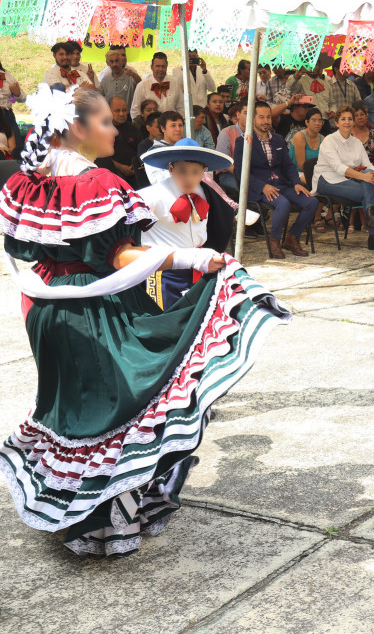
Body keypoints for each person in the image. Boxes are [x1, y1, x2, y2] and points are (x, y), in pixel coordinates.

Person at [0, 84, 289, 556]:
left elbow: (25, 249)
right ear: (78, 128)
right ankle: (96, 524)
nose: (116, 129)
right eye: (106, 122)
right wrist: (197, 258)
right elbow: (117, 257)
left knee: (76, 406)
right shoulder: (96, 183)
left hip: (45, 308)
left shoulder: (30, 182)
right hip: (90, 309)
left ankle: (72, 508)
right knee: (116, 406)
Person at [138, 138, 237, 307]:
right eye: (182, 171)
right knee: (166, 320)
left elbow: (222, 218)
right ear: (171, 168)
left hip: (198, 268)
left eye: (195, 172)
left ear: (204, 171)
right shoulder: (151, 196)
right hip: (164, 271)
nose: (188, 178)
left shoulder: (205, 193)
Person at [234, 101, 318, 258]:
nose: (265, 121)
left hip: (282, 184)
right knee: (283, 204)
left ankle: (292, 238)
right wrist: (262, 186)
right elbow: (240, 172)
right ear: (253, 119)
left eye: (268, 117)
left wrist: (296, 183)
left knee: (311, 202)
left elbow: (288, 165)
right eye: (261, 117)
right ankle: (275, 242)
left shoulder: (278, 139)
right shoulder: (243, 141)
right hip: (258, 189)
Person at [313, 105, 374, 254]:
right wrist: (365, 177)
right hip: (327, 180)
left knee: (370, 177)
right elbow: (338, 167)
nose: (347, 122)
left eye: (350, 119)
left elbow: (367, 164)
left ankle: (373, 230)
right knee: (367, 190)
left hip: (349, 180)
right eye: (343, 119)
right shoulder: (329, 141)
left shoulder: (355, 142)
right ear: (336, 123)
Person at [95, 96, 140, 185]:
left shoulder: (133, 127)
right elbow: (99, 156)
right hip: (113, 171)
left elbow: (140, 149)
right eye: (117, 110)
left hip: (134, 169)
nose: (121, 114)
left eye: (124, 110)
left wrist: (136, 166)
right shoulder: (100, 129)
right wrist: (121, 167)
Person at [131, 52, 182, 119]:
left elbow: (181, 107)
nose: (160, 69)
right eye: (157, 66)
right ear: (151, 67)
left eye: (163, 66)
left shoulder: (175, 84)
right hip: (150, 127)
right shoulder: (142, 86)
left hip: (170, 125)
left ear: (166, 67)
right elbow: (135, 110)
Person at [143, 111, 186, 184]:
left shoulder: (187, 148)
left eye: (180, 125)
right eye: (173, 125)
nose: (178, 129)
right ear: (163, 128)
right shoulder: (154, 152)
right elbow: (155, 180)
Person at [290, 54, 335, 123]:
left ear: (320, 66)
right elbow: (290, 88)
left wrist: (333, 111)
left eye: (315, 64)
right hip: (308, 122)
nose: (312, 67)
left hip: (325, 121)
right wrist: (296, 76)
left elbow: (332, 103)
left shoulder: (327, 84)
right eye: (310, 64)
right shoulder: (300, 81)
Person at [215, 104, 245, 192]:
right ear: (238, 115)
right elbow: (224, 161)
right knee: (244, 190)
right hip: (229, 173)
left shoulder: (257, 133)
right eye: (246, 113)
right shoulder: (226, 133)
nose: (250, 116)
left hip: (253, 173)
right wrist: (243, 175)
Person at [327, 57, 363, 125]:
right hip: (333, 125)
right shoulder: (328, 84)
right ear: (336, 69)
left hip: (350, 125)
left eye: (348, 66)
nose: (348, 69)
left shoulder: (352, 85)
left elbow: (359, 104)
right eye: (345, 66)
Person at [0, 61, 25, 157]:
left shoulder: (7, 75)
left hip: (7, 114)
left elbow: (22, 98)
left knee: (17, 151)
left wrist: (17, 93)